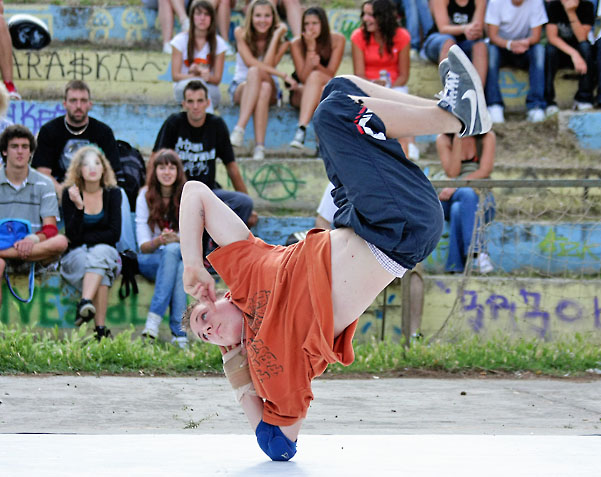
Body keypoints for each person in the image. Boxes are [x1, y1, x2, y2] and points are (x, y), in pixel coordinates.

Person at [179, 45, 490, 462]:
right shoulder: (269, 357)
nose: (209, 331)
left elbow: (195, 193)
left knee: (336, 91)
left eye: (203, 319)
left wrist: (193, 264)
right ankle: (452, 117)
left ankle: (451, 111)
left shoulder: (245, 270)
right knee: (332, 116)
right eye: (206, 338)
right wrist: (235, 366)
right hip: (395, 233)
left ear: (216, 298)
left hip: (359, 215)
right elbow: (277, 444)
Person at [0, 125, 69, 333]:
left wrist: (32, 240)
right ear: (4, 151)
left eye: (25, 147)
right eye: (14, 146)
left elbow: (51, 230)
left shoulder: (44, 183)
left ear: (31, 152)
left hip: (33, 252)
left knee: (62, 242)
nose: (20, 151)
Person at [31, 80, 135, 253]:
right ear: (65, 104)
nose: (78, 106)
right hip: (60, 189)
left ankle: (126, 254)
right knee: (42, 190)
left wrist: (91, 193)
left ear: (90, 104)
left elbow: (111, 173)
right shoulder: (50, 131)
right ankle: (44, 253)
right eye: (73, 100)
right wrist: (65, 193)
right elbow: (42, 172)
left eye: (83, 100)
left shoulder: (103, 132)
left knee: (120, 193)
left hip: (95, 189)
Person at [154, 80, 258, 229]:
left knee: (244, 202)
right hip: (178, 193)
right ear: (184, 104)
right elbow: (155, 159)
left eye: (200, 101)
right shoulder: (174, 123)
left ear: (207, 103)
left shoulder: (216, 125)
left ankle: (217, 246)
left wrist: (250, 209)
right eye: (190, 101)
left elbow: (232, 167)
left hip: (208, 192)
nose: (195, 106)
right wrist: (149, 190)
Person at [59, 146, 122, 340]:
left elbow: (114, 234)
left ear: (104, 168)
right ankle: (100, 331)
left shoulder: (113, 194)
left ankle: (84, 302)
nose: (92, 168)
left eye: (96, 163)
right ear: (79, 170)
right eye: (86, 164)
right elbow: (72, 235)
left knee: (101, 252)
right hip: (78, 255)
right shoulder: (70, 194)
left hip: (105, 252)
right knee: (100, 270)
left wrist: (88, 240)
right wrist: (79, 207)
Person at [351, 0, 418, 159]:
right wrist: (374, 86)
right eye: (364, 14)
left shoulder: (402, 36)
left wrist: (388, 88)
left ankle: (409, 144)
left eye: (371, 15)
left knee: (401, 96)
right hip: (366, 85)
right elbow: (358, 75)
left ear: (384, 17)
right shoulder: (358, 36)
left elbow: (404, 75)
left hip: (395, 86)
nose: (366, 19)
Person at [228, 0, 295, 160]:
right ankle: (259, 147)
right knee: (254, 74)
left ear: (273, 18)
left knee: (260, 78)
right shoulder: (240, 33)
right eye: (258, 15)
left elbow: (267, 64)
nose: (262, 20)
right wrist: (283, 75)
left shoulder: (282, 41)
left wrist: (276, 36)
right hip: (242, 86)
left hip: (270, 87)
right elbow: (250, 62)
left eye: (267, 16)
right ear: (251, 17)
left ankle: (239, 130)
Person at [136, 149, 188, 344]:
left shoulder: (187, 196)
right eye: (162, 167)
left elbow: (193, 239)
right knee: (172, 255)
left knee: (177, 259)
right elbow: (143, 246)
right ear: (154, 171)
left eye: (172, 167)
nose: (167, 172)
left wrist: (176, 239)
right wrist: (160, 241)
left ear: (178, 171)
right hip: (151, 259)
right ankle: (180, 333)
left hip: (179, 258)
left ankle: (154, 325)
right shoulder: (144, 196)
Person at [484, 0, 548, 123]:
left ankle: (536, 106)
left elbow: (536, 36)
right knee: (489, 51)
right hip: (502, 47)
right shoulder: (496, 2)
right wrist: (510, 44)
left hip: (525, 47)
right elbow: (492, 36)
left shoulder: (536, 1)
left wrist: (524, 43)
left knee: (539, 51)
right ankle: (494, 105)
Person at [422, 0, 488, 88]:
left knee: (480, 46)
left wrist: (473, 31)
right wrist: (465, 29)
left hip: (464, 42)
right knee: (449, 42)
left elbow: (477, 28)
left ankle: (478, 95)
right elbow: (443, 28)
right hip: (438, 41)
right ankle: (449, 93)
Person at [435, 131, 496, 274]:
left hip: (481, 197)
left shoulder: (486, 137)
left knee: (458, 208)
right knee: (465, 195)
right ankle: (478, 252)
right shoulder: (443, 138)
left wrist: (457, 185)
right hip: (450, 196)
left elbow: (485, 171)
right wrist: (458, 140)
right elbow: (452, 173)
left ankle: (455, 266)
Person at [288, 7, 346, 149]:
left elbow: (330, 74)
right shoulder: (296, 43)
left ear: (323, 24)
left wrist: (317, 65)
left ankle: (301, 129)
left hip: (324, 85)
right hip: (301, 91)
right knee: (319, 88)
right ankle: (322, 143)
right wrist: (310, 49)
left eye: (314, 23)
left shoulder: (337, 40)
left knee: (320, 84)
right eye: (306, 24)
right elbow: (302, 77)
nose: (310, 28)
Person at [545, 0, 596, 114]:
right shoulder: (554, 6)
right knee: (550, 50)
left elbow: (582, 38)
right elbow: (552, 37)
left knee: (586, 48)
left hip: (579, 48)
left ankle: (584, 98)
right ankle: (549, 101)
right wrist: (574, 54)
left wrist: (571, 12)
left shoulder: (587, 6)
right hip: (561, 49)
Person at [170, 0, 229, 110]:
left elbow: (217, 79)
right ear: (192, 17)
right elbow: (175, 76)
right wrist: (195, 76)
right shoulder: (180, 40)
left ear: (212, 18)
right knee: (193, 93)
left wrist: (206, 77)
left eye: (206, 14)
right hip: (184, 86)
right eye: (198, 14)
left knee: (205, 93)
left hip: (209, 87)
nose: (202, 18)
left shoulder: (219, 43)